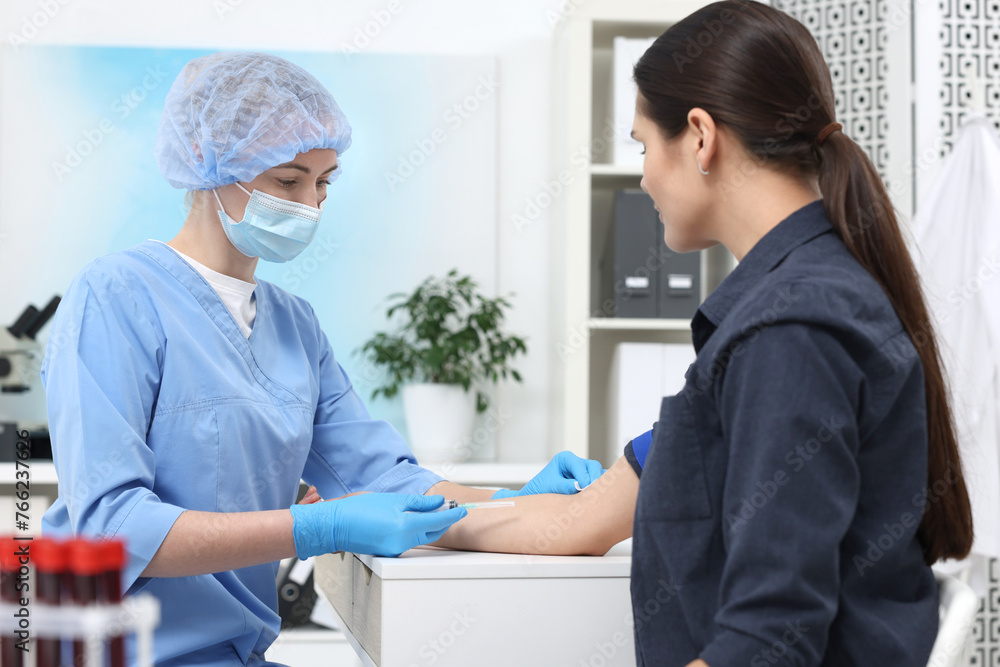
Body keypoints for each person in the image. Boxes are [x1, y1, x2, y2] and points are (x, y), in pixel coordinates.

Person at [40, 51, 603, 667]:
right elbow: (110, 526)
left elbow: (385, 481)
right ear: (207, 160)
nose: (310, 203)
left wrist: (518, 501)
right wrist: (315, 527)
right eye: (288, 181)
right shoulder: (115, 297)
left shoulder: (296, 327)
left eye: (324, 182)